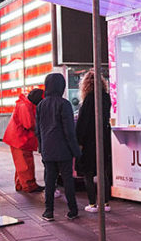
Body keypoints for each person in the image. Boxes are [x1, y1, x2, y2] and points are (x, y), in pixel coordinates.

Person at [36, 73, 81, 221]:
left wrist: (41, 148)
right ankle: (72, 210)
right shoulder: (64, 104)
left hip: (48, 149)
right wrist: (75, 150)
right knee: (67, 180)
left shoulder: (41, 105)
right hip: (63, 150)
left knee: (49, 181)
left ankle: (48, 211)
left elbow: (39, 130)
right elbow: (69, 130)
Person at [76, 71, 113, 213]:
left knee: (89, 173)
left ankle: (92, 204)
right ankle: (105, 203)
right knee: (103, 172)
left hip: (90, 141)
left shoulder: (89, 99)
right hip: (103, 139)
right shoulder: (106, 97)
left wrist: (78, 141)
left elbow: (82, 123)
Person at [4, 88, 43, 193]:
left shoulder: (25, 104)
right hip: (20, 140)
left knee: (21, 164)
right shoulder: (24, 106)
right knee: (25, 164)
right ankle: (29, 186)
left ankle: (21, 185)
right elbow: (29, 124)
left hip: (20, 139)